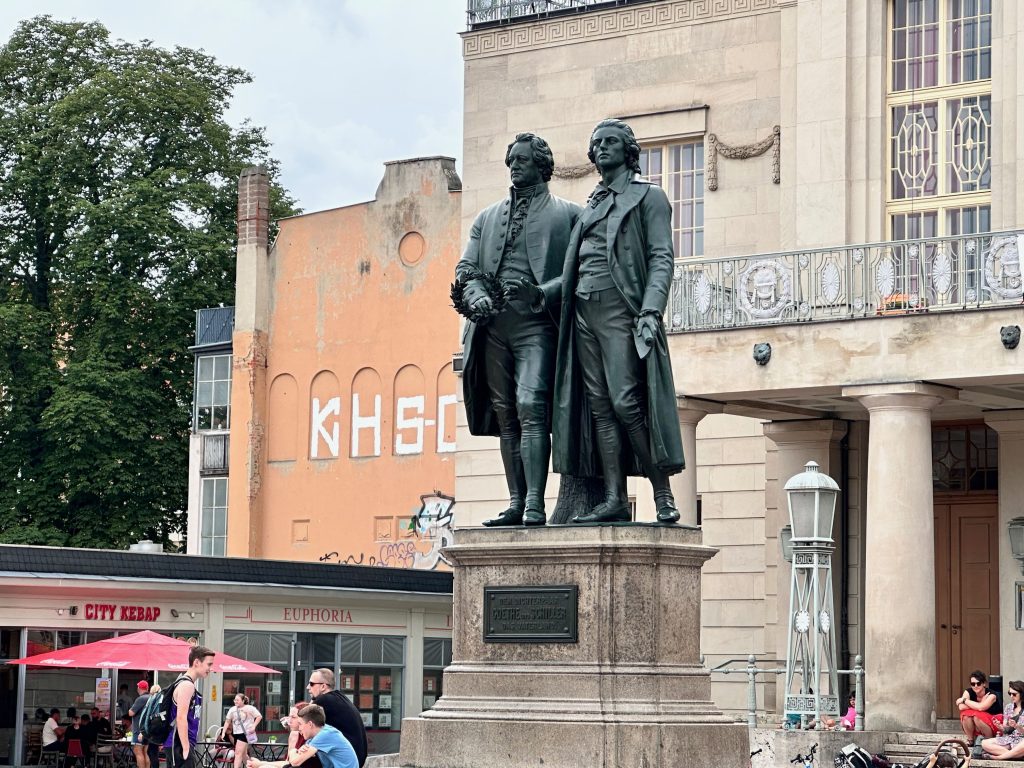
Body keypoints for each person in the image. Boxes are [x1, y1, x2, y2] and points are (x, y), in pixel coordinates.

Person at [550, 118, 684, 523]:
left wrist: (650, 308)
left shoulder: (648, 197)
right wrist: (542, 294)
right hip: (583, 311)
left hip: (620, 307)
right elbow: (574, 266)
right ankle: (613, 498)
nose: (602, 148)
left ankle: (661, 491)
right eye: (597, 143)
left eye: (611, 142)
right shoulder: (591, 204)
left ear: (628, 151)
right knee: (600, 407)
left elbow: (662, 257)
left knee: (627, 401)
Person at [455, 132, 582, 527]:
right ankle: (515, 501)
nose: (514, 167)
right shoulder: (487, 218)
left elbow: (578, 273)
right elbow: (466, 269)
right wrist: (475, 295)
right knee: (506, 414)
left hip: (537, 327)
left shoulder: (569, 214)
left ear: (542, 165)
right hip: (493, 328)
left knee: (531, 407)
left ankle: (534, 503)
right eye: (511, 161)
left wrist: (542, 293)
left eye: (522, 160)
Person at [163, 644, 216, 768]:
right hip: (179, 744)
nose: (210, 668)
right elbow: (181, 717)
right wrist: (186, 747)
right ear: (197, 662)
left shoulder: (185, 683)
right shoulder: (187, 685)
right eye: (209, 664)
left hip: (177, 743)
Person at [307, 669, 366, 767]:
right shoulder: (339, 697)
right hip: (356, 758)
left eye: (311, 684)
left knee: (300, 760)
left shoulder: (323, 700)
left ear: (323, 686)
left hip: (343, 762)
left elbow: (303, 721)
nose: (308, 687)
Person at [247, 702, 321, 768]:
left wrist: (260, 764)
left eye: (293, 717)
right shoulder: (295, 734)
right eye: (289, 716)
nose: (289, 721)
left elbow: (293, 763)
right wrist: (260, 764)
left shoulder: (315, 737)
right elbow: (288, 763)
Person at [289, 705, 356, 768]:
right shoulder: (315, 735)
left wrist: (293, 750)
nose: (299, 728)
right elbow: (299, 758)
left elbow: (295, 762)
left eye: (300, 724)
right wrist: (299, 752)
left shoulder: (325, 734)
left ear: (310, 724)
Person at [981, 680, 1024, 760]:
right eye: (1009, 693)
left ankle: (998, 757)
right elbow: (1006, 730)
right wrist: (1000, 726)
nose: (1011, 696)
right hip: (1009, 739)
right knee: (984, 743)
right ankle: (1016, 756)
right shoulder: (1008, 707)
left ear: (1022, 694)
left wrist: (1017, 726)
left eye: (1014, 694)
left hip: (1021, 740)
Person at [220, 693, 262, 768]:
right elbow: (227, 721)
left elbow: (259, 716)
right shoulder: (232, 709)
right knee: (243, 754)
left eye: (238, 700)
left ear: (243, 700)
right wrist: (223, 732)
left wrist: (253, 726)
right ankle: (252, 766)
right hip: (236, 733)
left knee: (237, 753)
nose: (235, 701)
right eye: (235, 700)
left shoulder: (250, 708)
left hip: (245, 733)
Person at [958, 669, 1001, 741]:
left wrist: (964, 700)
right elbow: (961, 707)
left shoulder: (991, 695)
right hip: (976, 725)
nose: (975, 686)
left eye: (978, 683)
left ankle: (988, 740)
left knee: (977, 716)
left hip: (995, 723)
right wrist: (980, 704)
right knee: (966, 715)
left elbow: (981, 708)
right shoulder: (968, 691)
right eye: (973, 684)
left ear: (984, 684)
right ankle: (970, 740)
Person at [128, 680, 152, 768]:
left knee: (138, 752)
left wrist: (129, 709)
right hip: (147, 729)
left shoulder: (141, 699)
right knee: (145, 752)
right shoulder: (151, 697)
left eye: (138, 687)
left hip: (139, 730)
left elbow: (131, 713)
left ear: (139, 688)